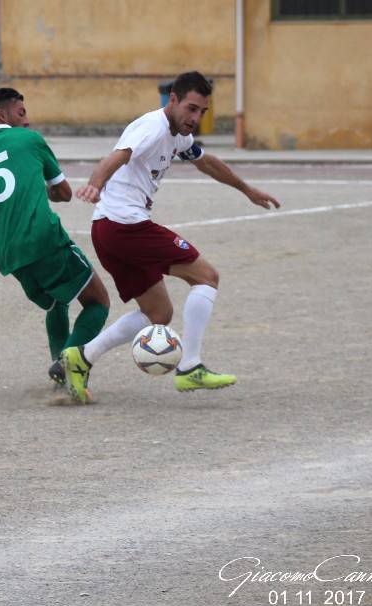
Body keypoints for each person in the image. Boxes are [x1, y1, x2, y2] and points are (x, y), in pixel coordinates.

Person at [61, 71, 280, 401]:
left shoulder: (178, 135)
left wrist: (247, 189)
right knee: (207, 277)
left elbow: (206, 163)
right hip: (125, 227)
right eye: (191, 108)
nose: (195, 118)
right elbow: (116, 157)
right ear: (173, 100)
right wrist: (96, 183)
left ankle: (80, 358)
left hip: (108, 229)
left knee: (158, 314)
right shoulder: (152, 127)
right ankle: (190, 367)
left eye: (202, 112)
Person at [0, 88, 111, 398]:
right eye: (21, 114)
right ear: (2, 115)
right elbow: (63, 193)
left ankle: (62, 380)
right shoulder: (30, 141)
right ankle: (69, 362)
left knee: (56, 301)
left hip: (6, 254)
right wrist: (43, 189)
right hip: (43, 238)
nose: (27, 121)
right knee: (98, 302)